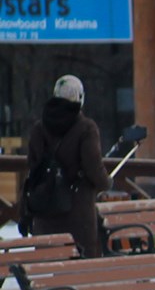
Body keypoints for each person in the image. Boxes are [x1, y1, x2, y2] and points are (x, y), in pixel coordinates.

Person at [24, 74, 109, 256]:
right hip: (77, 214)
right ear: (80, 97)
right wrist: (106, 183)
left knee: (48, 265)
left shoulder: (39, 128)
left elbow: (33, 164)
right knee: (81, 268)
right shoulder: (86, 128)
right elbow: (94, 168)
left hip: (45, 210)